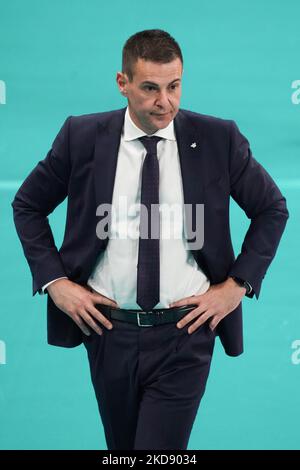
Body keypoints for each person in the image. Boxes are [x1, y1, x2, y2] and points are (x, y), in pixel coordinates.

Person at [12, 29, 289, 450]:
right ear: (122, 83)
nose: (165, 102)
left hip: (186, 334)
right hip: (107, 332)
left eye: (174, 86)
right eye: (150, 88)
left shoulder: (219, 138)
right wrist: (57, 284)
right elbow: (28, 204)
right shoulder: (81, 137)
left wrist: (236, 287)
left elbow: (272, 209)